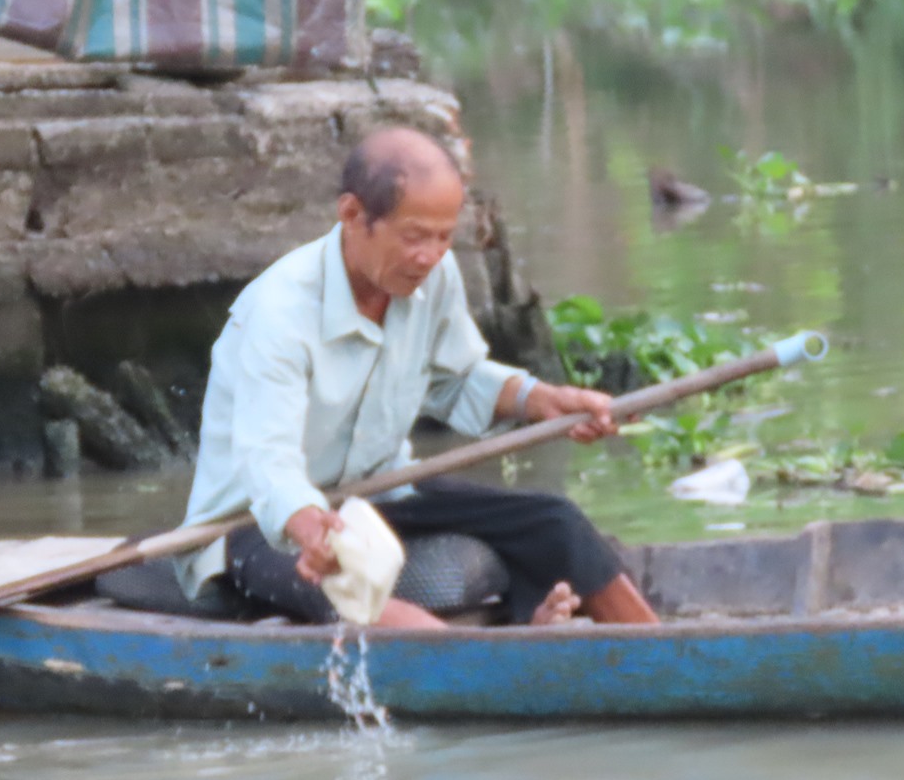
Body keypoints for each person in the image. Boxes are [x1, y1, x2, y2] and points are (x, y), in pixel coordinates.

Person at [178, 126, 661, 630]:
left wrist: (543, 400)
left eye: (444, 237)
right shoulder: (279, 312)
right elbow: (268, 463)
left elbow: (456, 380)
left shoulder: (434, 276)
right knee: (351, 587)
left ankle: (663, 653)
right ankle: (493, 661)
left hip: (383, 494)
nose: (429, 257)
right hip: (256, 525)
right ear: (352, 216)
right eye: (413, 237)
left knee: (556, 523)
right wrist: (311, 527)